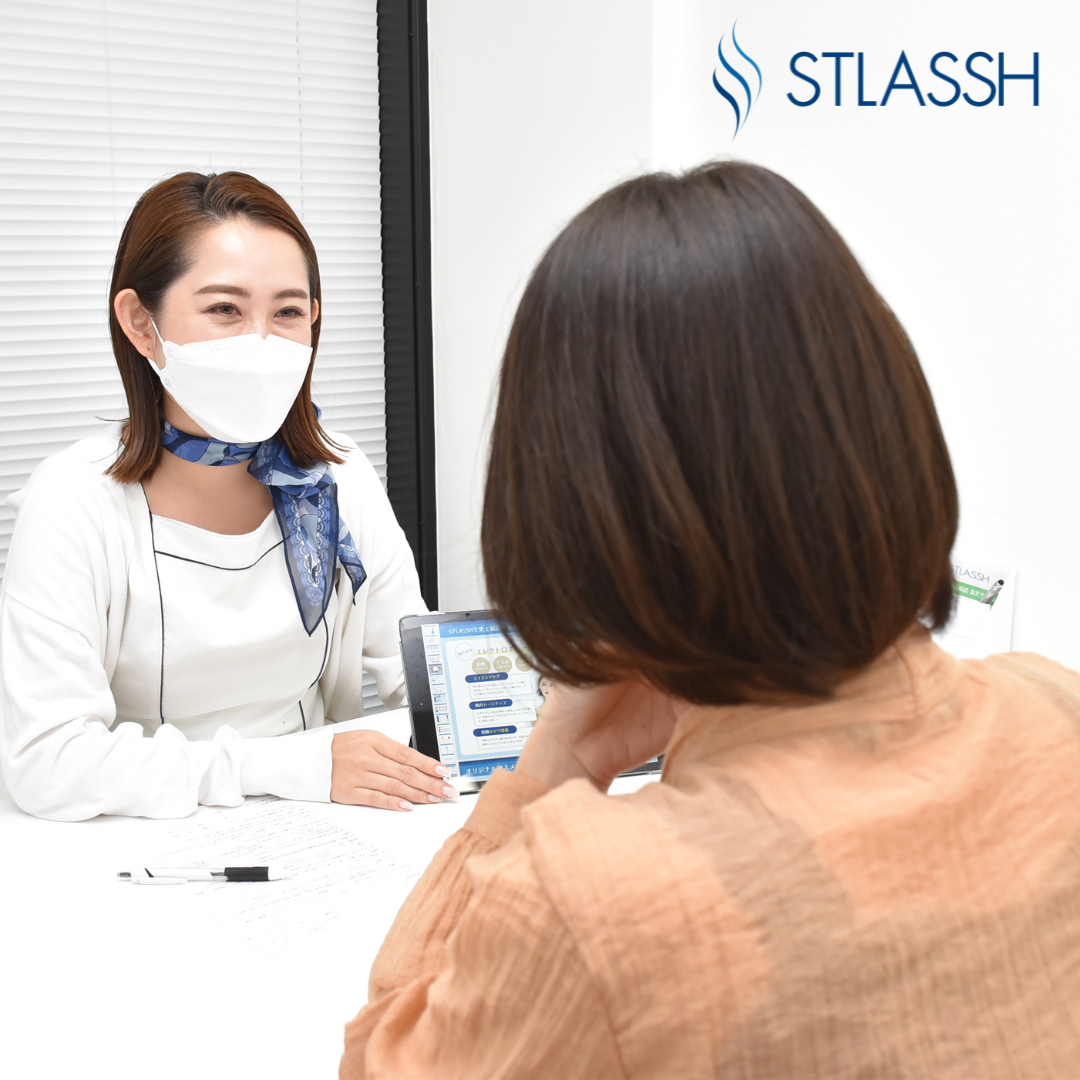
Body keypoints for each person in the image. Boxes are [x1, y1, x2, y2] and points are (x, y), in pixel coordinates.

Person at [339, 162, 1080, 1077]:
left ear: (571, 509)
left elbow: (385, 1058)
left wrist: (549, 772)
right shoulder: (1058, 710)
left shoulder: (597, 902)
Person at [0, 172, 455, 820]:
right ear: (141, 324)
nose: (261, 342)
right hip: (141, 832)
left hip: (323, 820)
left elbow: (420, 673)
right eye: (225, 310)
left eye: (287, 312)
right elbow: (48, 761)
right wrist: (286, 767)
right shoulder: (73, 501)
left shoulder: (338, 472)